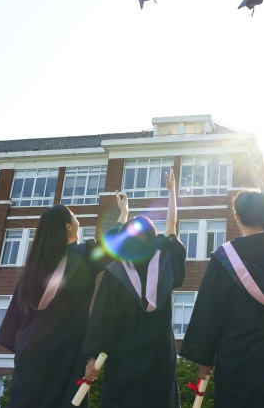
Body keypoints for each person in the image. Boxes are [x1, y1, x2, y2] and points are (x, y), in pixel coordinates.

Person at [180, 155, 264, 408]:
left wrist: (205, 358)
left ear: (236, 217)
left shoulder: (225, 258)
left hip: (239, 362)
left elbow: (209, 310)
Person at [0, 203, 119, 407]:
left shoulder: (34, 267)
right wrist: (122, 218)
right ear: (68, 226)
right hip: (63, 355)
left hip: (30, 358)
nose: (76, 217)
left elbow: (15, 317)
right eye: (73, 215)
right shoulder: (82, 255)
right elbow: (110, 249)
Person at [81, 172, 186, 408]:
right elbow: (171, 227)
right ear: (153, 238)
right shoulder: (166, 261)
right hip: (159, 360)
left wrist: (92, 355)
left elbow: (102, 318)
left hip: (123, 360)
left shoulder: (116, 272)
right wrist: (171, 193)